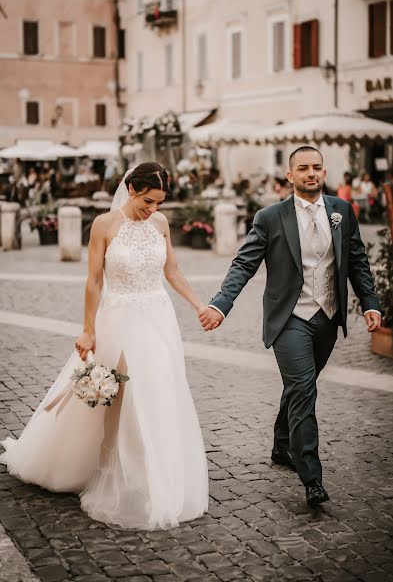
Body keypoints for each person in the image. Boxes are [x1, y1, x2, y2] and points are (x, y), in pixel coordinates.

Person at [0, 162, 209, 530]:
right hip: (120, 319)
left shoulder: (160, 224)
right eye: (148, 201)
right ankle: (111, 470)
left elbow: (171, 271)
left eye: (159, 203)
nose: (153, 210)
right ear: (131, 189)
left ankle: (153, 474)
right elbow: (94, 281)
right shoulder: (104, 225)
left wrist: (198, 305)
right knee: (117, 398)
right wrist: (88, 330)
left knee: (158, 391)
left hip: (158, 318)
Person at [199, 146, 381, 509]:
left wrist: (371, 302)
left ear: (324, 171)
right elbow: (243, 264)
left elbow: (357, 260)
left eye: (316, 167)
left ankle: (282, 440)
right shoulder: (270, 217)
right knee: (303, 391)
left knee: (301, 385)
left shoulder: (342, 211)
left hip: (328, 317)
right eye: (303, 168)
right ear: (290, 175)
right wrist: (221, 304)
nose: (311, 173)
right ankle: (312, 477)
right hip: (290, 319)